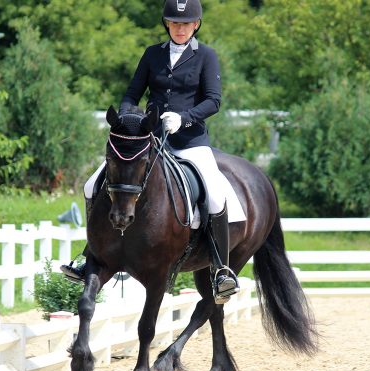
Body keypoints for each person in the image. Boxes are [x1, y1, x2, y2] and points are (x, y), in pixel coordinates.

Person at [61, 0, 245, 303]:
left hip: (190, 143)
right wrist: (126, 120)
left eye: (186, 24)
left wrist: (184, 118)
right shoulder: (152, 55)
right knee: (92, 183)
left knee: (215, 194)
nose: (180, 28)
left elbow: (213, 100)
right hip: (150, 141)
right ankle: (88, 255)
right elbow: (132, 93)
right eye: (175, 23)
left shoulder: (206, 56)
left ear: (196, 25)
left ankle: (222, 269)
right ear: (167, 24)